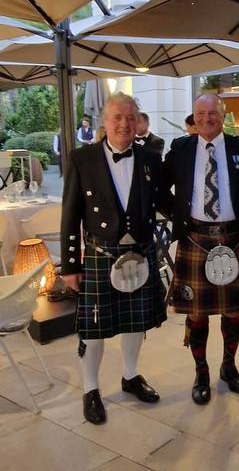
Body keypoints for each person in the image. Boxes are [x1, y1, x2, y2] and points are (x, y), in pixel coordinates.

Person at [159, 92, 239, 404]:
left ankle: (229, 367)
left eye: (213, 113)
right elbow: (158, 185)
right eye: (201, 114)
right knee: (196, 313)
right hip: (195, 238)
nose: (207, 119)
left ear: (223, 117)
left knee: (233, 310)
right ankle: (201, 372)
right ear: (194, 117)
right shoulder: (181, 148)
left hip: (234, 237)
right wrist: (178, 215)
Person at [61, 92, 166, 425]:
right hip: (100, 254)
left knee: (136, 323)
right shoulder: (82, 158)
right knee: (93, 329)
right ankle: (90, 388)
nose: (124, 124)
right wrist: (70, 266)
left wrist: (196, 218)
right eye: (117, 117)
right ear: (105, 121)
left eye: (130, 117)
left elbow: (165, 201)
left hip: (139, 254)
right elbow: (70, 215)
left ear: (138, 122)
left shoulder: (150, 158)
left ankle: (130, 375)